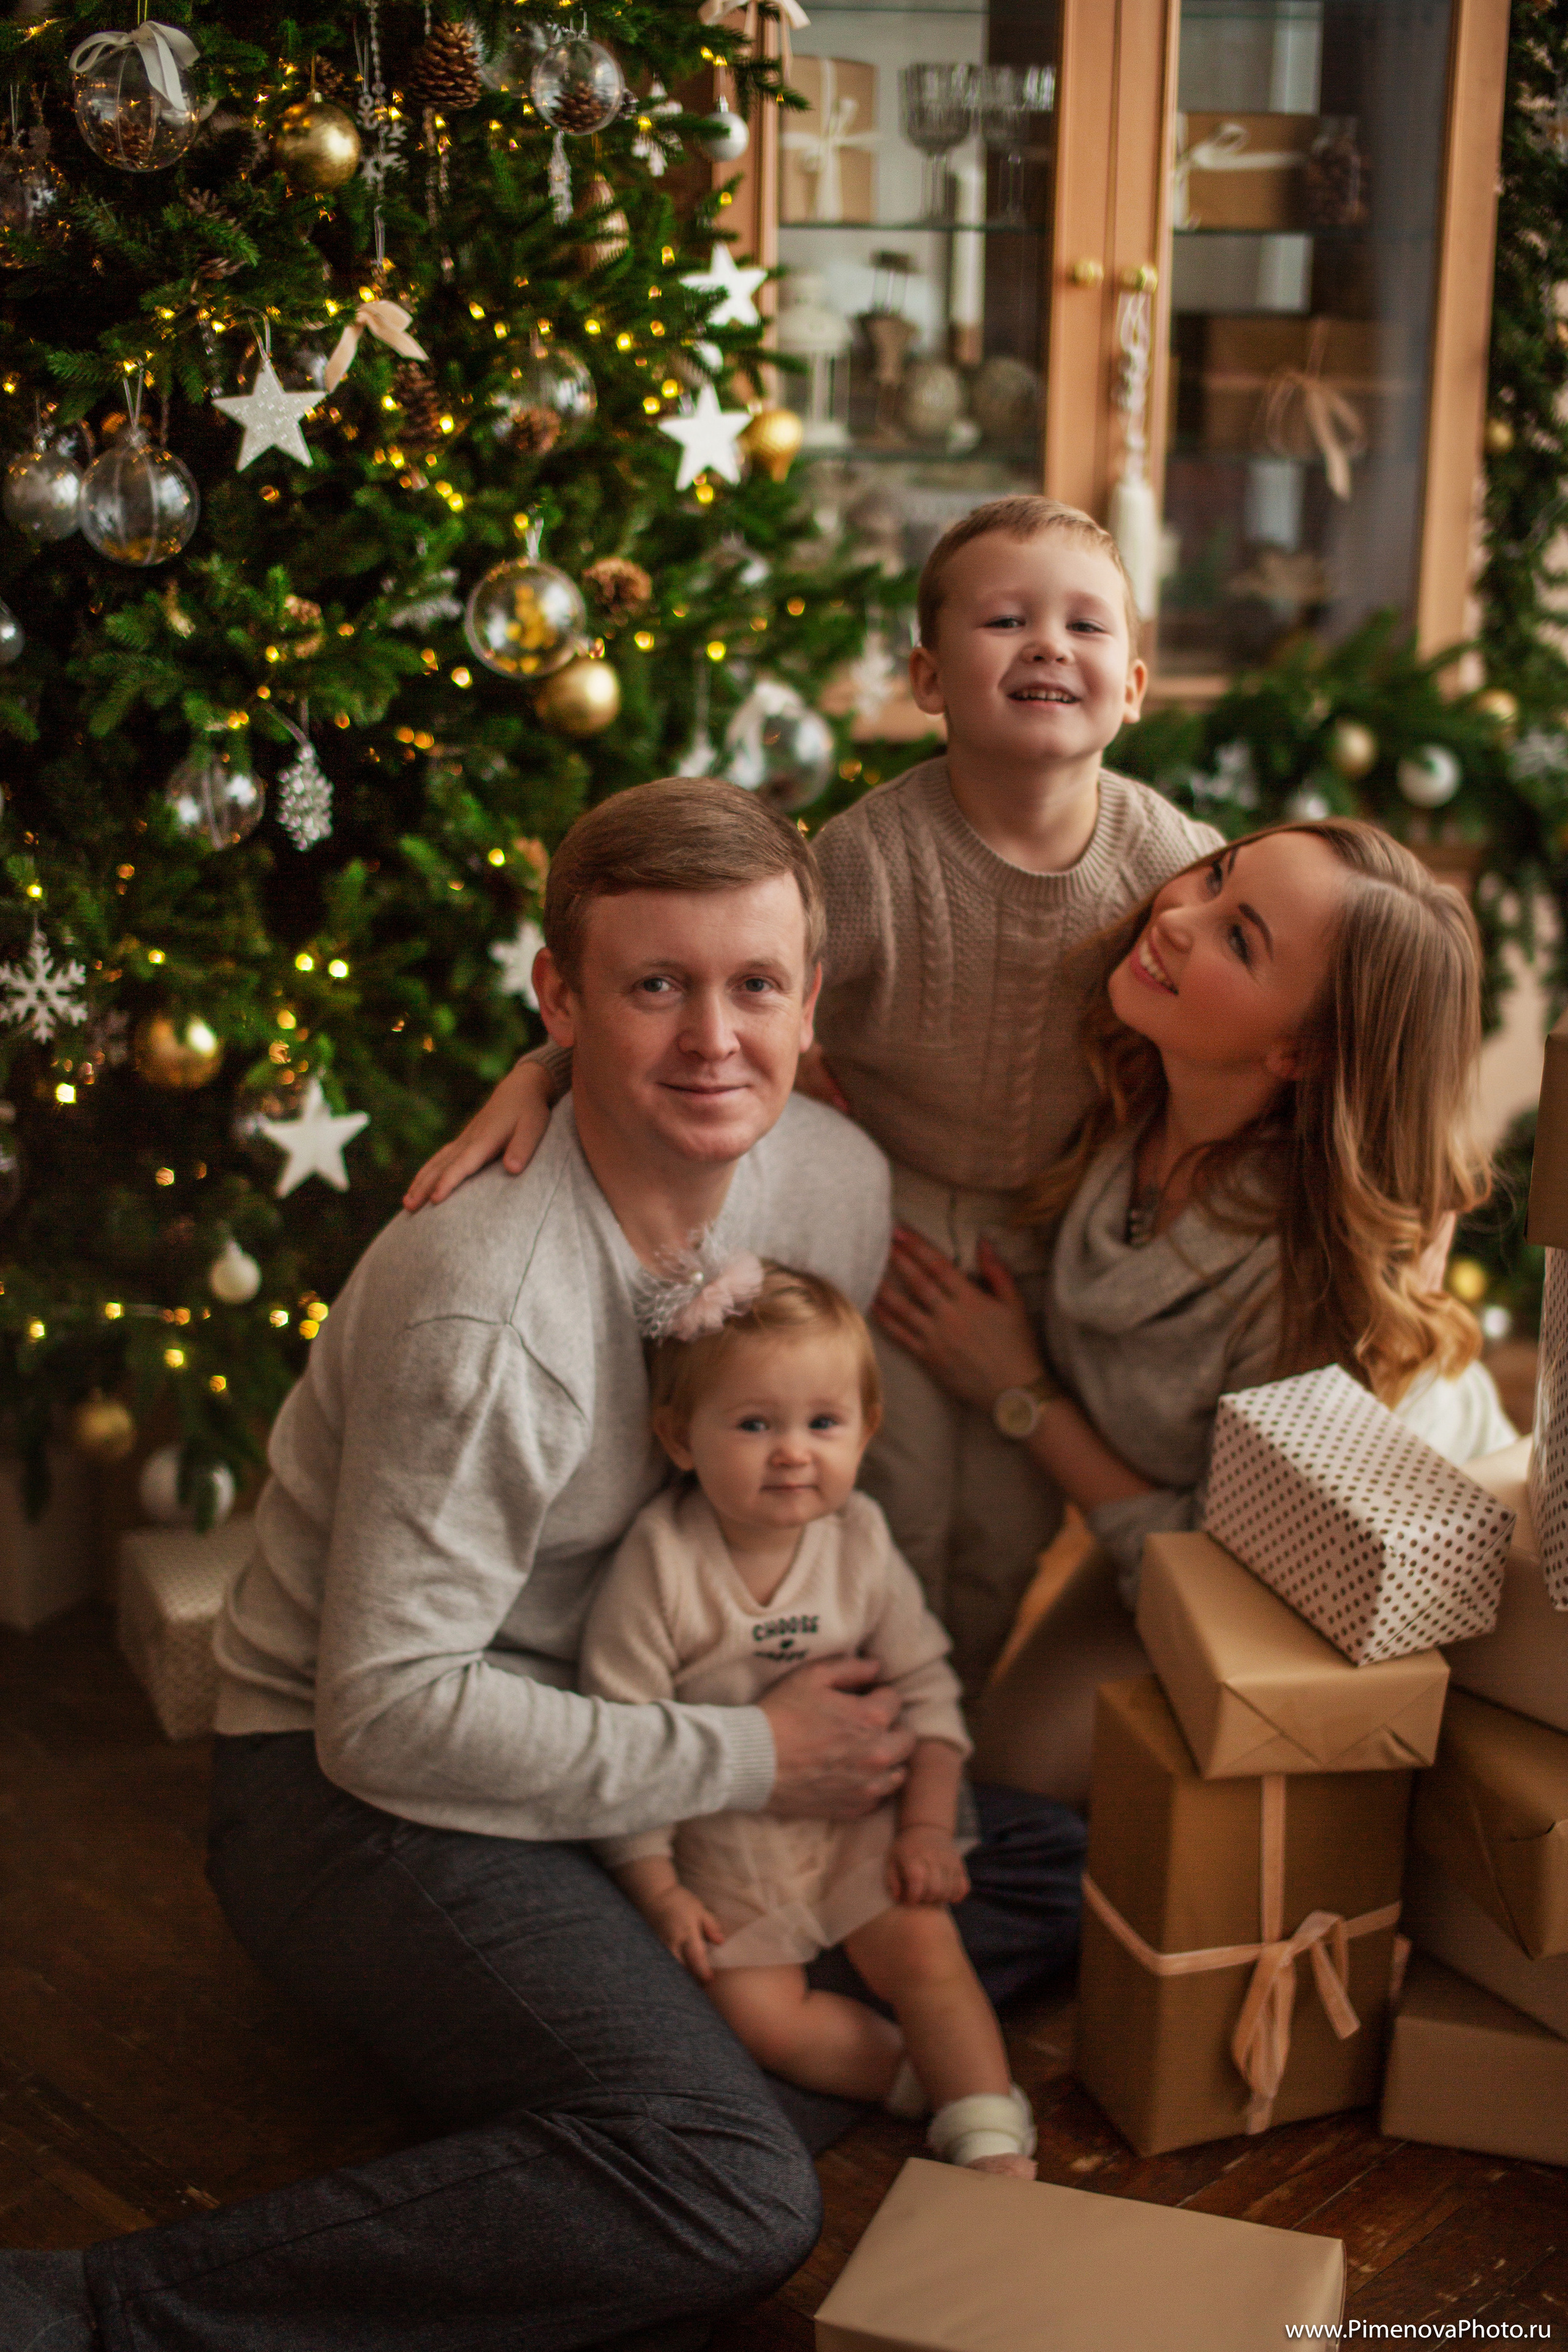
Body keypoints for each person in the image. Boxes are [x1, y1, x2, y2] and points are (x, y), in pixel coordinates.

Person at [0, 778, 1080, 2352]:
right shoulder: (483, 1310)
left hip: (625, 1708)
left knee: (1037, 1864)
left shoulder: (831, 1185)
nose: (715, 1039)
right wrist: (750, 1754)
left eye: (753, 985)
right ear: (559, 997)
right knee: (730, 2193)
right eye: (653, 987)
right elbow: (381, 1719)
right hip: (348, 1796)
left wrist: (793, 1728)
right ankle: (92, 2312)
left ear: (810, 997)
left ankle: (614, 2080)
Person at [405, 497, 1224, 1698]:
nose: (1048, 645)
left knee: (1001, 1527)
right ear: (929, 677)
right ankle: (812, 1721)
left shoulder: (1167, 865)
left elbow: (1266, 1008)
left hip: (1052, 1229)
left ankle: (933, 1732)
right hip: (876, 1212)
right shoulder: (865, 858)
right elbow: (732, 995)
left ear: (1135, 683)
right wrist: (540, 1067)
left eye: (1083, 626)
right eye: (1006, 619)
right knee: (873, 1493)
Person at [872, 820, 1513, 1809]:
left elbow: (1234, 1557)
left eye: (1240, 938)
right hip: (1171, 1528)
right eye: (1215, 876)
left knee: (1015, 1815)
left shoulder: (1305, 1282)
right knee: (995, 1778)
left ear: (1299, 1050)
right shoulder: (1132, 1086)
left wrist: (1020, 1395)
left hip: (1327, 1578)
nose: (1176, 915)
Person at [581, 1261, 1036, 2178]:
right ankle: (910, 2082)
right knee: (758, 2021)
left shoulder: (858, 1541)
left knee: (925, 1942)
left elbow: (929, 1692)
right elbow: (621, 1736)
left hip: (857, 1821)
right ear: (679, 1439)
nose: (793, 1452)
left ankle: (990, 2130)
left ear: (866, 1431)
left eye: (822, 1424)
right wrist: (656, 1887)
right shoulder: (661, 1564)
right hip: (724, 1849)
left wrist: (923, 1829)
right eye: (755, 1426)